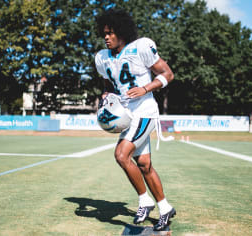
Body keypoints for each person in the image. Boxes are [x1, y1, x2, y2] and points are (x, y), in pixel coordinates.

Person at [95, 8, 175, 231]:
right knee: (144, 165)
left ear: (122, 32)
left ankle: (145, 200)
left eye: (111, 33)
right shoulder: (102, 57)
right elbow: (108, 85)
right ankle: (165, 207)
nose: (107, 37)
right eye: (104, 33)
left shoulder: (140, 47)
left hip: (145, 110)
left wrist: (145, 88)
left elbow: (168, 74)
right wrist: (106, 97)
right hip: (128, 115)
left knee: (121, 155)